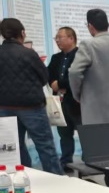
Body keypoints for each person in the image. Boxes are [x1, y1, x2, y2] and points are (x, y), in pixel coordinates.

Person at [0, 18, 63, 174]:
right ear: (22, 33)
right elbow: (44, 77)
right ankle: (56, 179)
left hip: (4, 107)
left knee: (16, 147)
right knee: (45, 146)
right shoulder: (29, 53)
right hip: (31, 107)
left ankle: (25, 177)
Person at [68, 9, 109, 125]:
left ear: (90, 26)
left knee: (99, 137)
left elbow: (74, 72)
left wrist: (78, 95)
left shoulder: (88, 45)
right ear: (107, 24)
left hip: (97, 111)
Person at [47, 26, 80, 167]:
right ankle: (66, 161)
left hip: (77, 102)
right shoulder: (56, 58)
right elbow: (48, 75)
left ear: (71, 38)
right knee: (64, 134)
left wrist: (60, 84)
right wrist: (53, 84)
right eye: (56, 38)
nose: (57, 40)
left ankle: (89, 161)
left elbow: (78, 77)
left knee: (84, 132)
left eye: (60, 37)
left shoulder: (80, 56)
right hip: (60, 102)